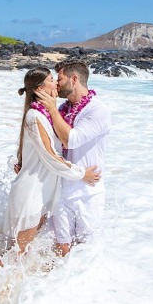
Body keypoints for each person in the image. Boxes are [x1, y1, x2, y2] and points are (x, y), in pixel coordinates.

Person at [4, 67, 101, 255]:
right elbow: (51, 157)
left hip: (43, 192)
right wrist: (82, 174)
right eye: (51, 79)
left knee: (22, 252)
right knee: (16, 252)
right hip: (32, 192)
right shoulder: (35, 116)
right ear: (40, 88)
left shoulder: (46, 115)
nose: (56, 82)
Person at [36, 59, 111, 256]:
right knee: (61, 248)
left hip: (87, 191)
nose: (56, 84)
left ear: (74, 79)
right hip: (62, 189)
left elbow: (71, 140)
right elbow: (46, 142)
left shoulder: (97, 110)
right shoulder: (63, 110)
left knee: (86, 250)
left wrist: (52, 109)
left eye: (60, 79)